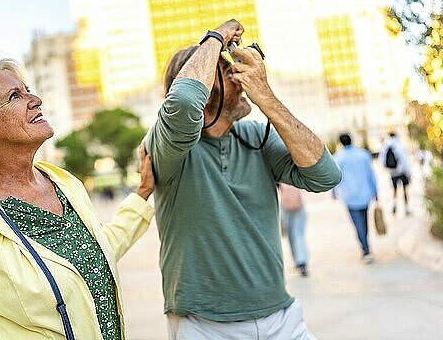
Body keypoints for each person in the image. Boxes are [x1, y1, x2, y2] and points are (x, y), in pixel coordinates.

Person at [0, 57, 155, 340]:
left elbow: (92, 255)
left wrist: (142, 193)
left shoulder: (64, 184)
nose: (35, 99)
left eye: (27, 89)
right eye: (15, 96)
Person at [145, 19, 341, 340]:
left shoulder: (254, 137)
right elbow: (181, 103)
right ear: (206, 87)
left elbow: (325, 175)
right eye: (229, 70)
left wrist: (267, 98)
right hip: (204, 325)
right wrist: (215, 38)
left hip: (281, 317)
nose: (241, 77)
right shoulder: (169, 147)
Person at [333, 133, 379, 264]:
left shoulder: (338, 158)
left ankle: (365, 249)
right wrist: (376, 192)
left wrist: (333, 193)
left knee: (358, 223)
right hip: (365, 194)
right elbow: (371, 174)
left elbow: (334, 177)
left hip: (349, 196)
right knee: (364, 220)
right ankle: (366, 245)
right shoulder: (363, 154)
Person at [278, 183, 309, 277]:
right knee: (299, 235)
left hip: (285, 207)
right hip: (299, 206)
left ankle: (297, 260)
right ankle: (302, 261)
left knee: (291, 236)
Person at [379, 131, 412, 216]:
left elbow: (381, 160)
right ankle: (406, 208)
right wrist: (408, 172)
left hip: (392, 173)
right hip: (402, 172)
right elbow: (405, 160)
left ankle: (394, 205)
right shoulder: (399, 145)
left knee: (394, 190)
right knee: (405, 190)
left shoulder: (386, 146)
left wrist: (389, 169)